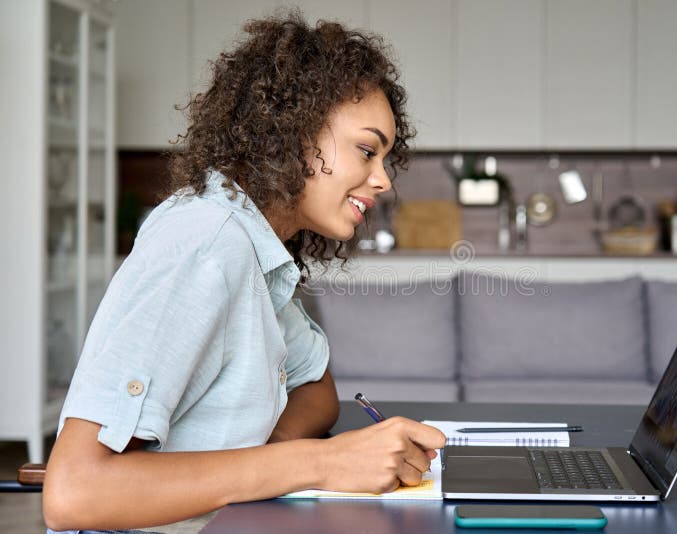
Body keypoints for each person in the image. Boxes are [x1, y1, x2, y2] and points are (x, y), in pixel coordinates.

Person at [43, 12, 446, 532]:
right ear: (293, 131)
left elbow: (316, 391)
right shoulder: (205, 245)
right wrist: (320, 463)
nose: (383, 180)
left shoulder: (257, 250)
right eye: (367, 150)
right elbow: (75, 492)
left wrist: (257, 470)